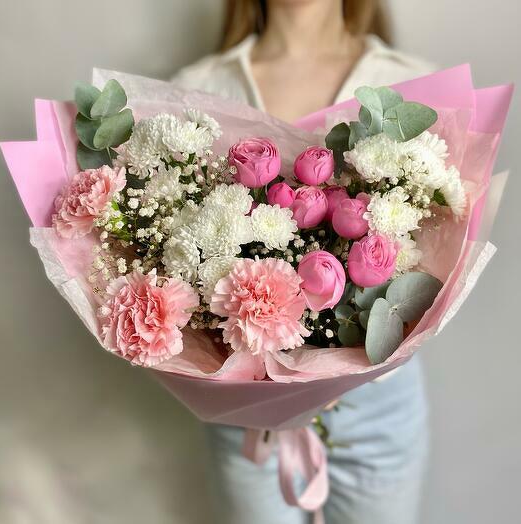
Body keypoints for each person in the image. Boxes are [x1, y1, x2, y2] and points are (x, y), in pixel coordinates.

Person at [172, 1, 431, 523]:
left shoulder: (416, 86)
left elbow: (437, 246)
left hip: (378, 402)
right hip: (245, 414)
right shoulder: (195, 88)